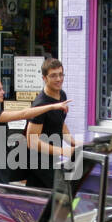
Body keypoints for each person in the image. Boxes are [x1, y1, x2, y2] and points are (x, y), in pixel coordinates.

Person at [0, 76, 71, 183]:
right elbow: (23, 114)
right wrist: (52, 107)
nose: (3, 92)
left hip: (1, 165)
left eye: (2, 89)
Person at [25, 58, 74, 189]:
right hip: (39, 161)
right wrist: (65, 151)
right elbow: (32, 142)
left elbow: (60, 124)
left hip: (53, 158)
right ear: (44, 78)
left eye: (60, 74)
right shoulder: (40, 104)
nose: (58, 79)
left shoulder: (61, 95)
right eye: (53, 75)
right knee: (63, 195)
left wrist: (76, 144)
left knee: (37, 199)